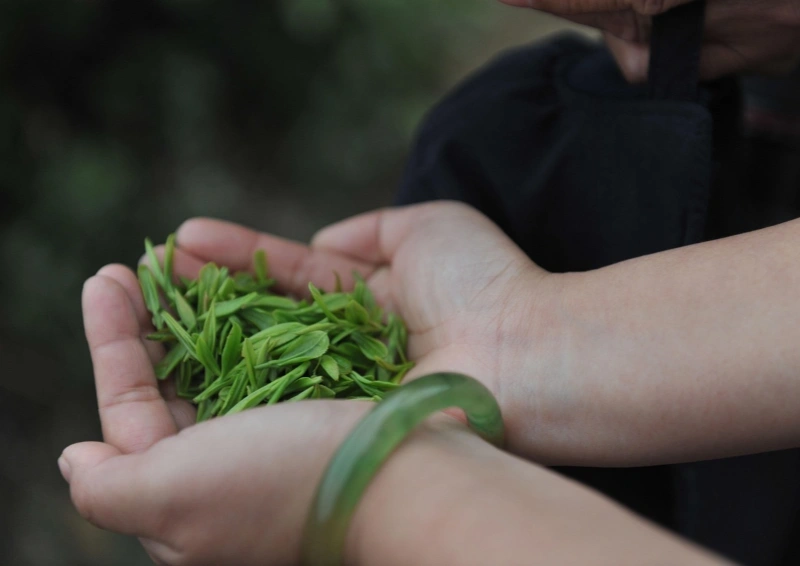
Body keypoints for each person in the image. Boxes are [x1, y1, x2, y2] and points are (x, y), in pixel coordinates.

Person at [60, 1, 800, 564]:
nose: (638, 65)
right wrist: (531, 332)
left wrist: (363, 496)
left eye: (655, 14)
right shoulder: (493, 147)